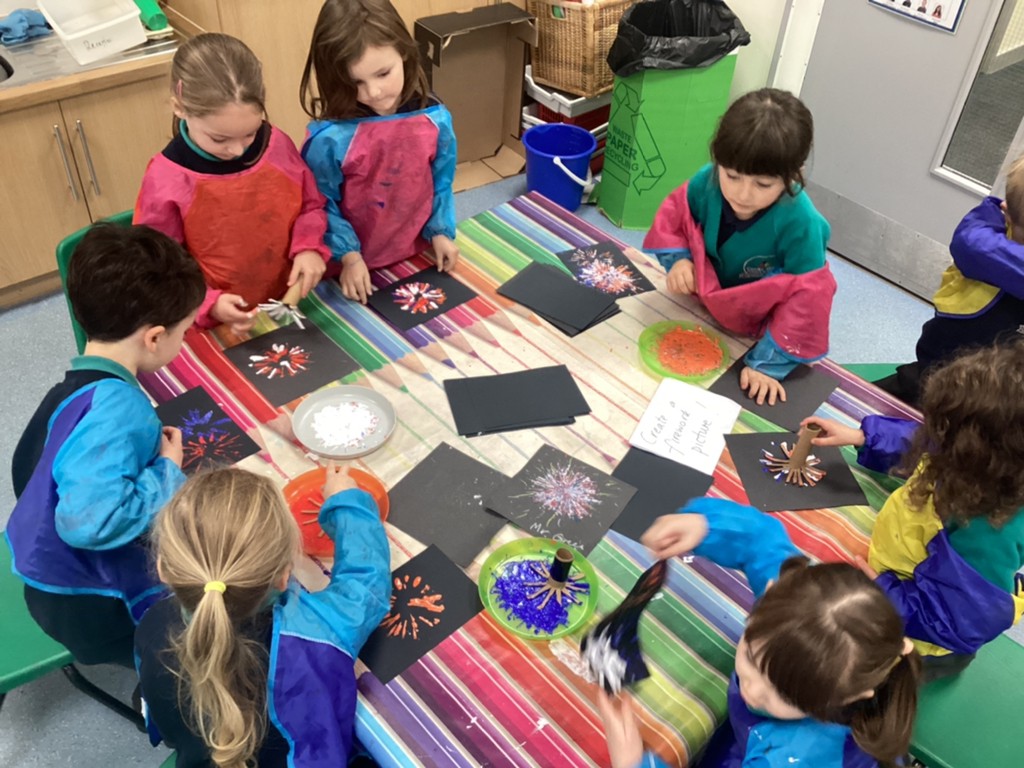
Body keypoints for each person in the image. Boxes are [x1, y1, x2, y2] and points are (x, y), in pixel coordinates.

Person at [6, 223, 205, 667]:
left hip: (44, 575)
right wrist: (166, 471)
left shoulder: (74, 388)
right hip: (91, 608)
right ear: (154, 337)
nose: (184, 339)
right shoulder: (121, 409)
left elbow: (28, 469)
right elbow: (91, 523)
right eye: (185, 331)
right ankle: (155, 693)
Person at [598, 498, 920, 768]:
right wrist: (705, 526)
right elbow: (760, 541)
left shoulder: (793, 759)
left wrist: (634, 763)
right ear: (770, 591)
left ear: (846, 698)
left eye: (783, 695)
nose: (752, 689)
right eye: (751, 657)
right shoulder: (791, 604)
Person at [135, 465, 391, 767]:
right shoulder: (316, 634)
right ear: (284, 578)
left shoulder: (152, 623)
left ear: (163, 568)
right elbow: (365, 585)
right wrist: (346, 504)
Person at [808, 342, 1024, 680]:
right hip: (905, 574)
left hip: (918, 636)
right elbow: (923, 442)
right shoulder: (978, 453)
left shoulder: (986, 531)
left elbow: (956, 620)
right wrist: (863, 436)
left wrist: (886, 595)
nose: (933, 434)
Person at [644, 88, 834, 406]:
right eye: (732, 176)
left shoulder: (802, 223)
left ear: (793, 174)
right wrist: (679, 260)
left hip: (760, 330)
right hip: (704, 304)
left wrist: (768, 365)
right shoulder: (707, 182)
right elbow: (674, 219)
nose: (743, 195)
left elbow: (807, 301)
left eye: (763, 184)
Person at [134, 33, 330, 332]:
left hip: (287, 302)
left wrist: (308, 247)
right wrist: (207, 303)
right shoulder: (166, 178)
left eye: (250, 133)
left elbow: (310, 206)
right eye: (219, 138)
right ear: (179, 107)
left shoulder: (276, 144)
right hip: (212, 319)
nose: (238, 150)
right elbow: (158, 267)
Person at [301, 0, 459, 305]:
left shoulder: (434, 118)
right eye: (354, 82)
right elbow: (319, 202)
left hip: (416, 250)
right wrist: (349, 256)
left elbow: (441, 179)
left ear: (405, 53)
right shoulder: (330, 138)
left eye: (383, 73)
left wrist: (440, 231)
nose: (373, 92)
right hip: (352, 266)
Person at [876, 154, 1024, 407]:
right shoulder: (985, 224)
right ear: (1007, 212)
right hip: (940, 364)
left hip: (996, 391)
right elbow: (971, 245)